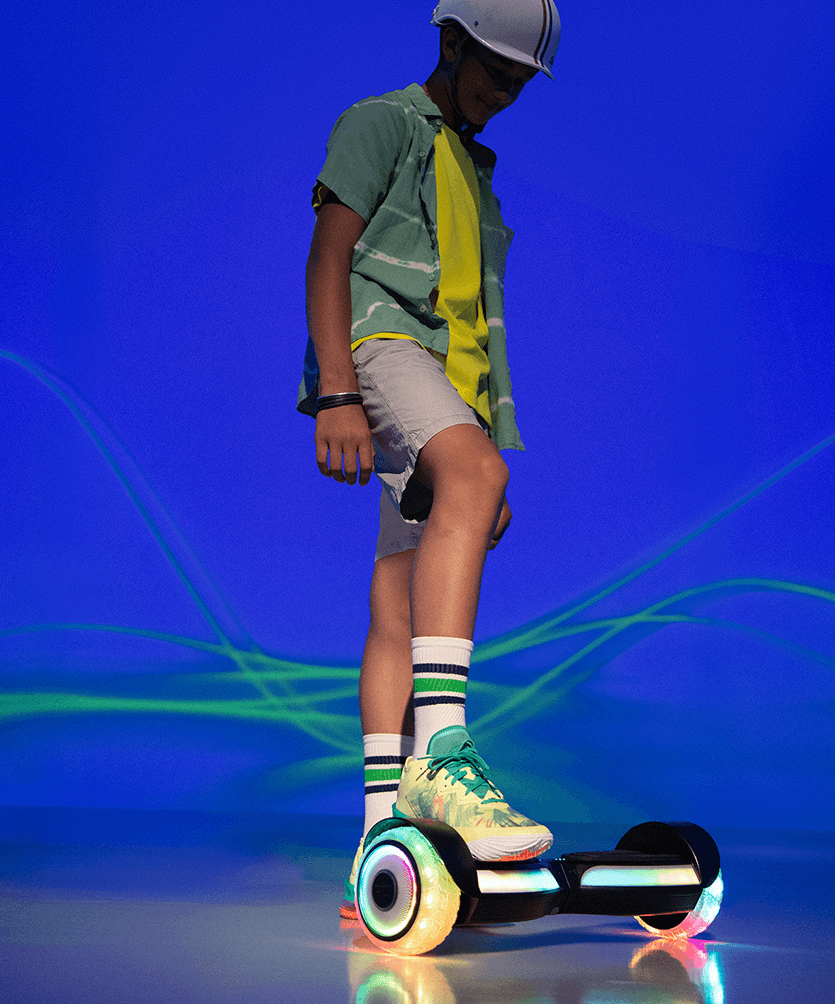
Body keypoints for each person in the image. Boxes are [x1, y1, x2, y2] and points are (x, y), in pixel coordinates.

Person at [297, 0, 562, 918]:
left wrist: (472, 453)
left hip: (444, 381)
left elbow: (473, 319)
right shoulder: (383, 122)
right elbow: (330, 256)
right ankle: (441, 758)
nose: (503, 94)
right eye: (493, 73)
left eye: (519, 84)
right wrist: (337, 390)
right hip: (379, 348)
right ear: (450, 43)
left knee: (397, 599)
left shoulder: (474, 169)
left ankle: (377, 837)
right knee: (473, 485)